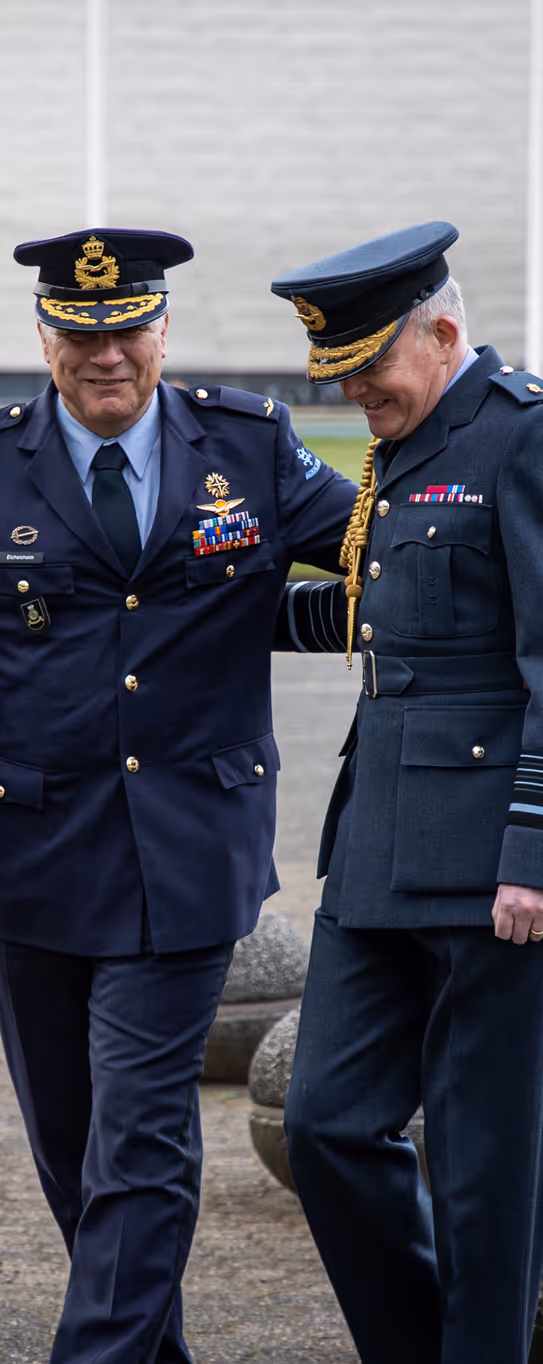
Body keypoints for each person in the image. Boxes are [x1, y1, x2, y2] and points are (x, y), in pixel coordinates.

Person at [0, 227, 356, 1364]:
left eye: (127, 332)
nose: (107, 357)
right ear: (44, 337)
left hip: (192, 847)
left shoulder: (247, 441)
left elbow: (376, 553)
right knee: (73, 1152)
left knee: (138, 1142)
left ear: (161, 329)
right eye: (80, 335)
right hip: (36, 857)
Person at [271, 221, 543, 1364]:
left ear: (438, 332)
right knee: (325, 1122)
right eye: (334, 378)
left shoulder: (520, 439)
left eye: (366, 369)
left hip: (490, 866)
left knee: (482, 1174)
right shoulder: (407, 442)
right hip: (375, 843)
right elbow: (388, 616)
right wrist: (211, 612)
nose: (353, 399)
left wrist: (532, 847)